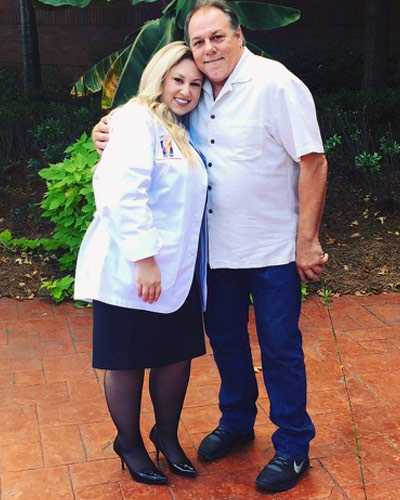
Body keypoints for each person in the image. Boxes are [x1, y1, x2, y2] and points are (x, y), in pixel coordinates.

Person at [92, 0, 329, 493]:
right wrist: (106, 132)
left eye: (216, 37)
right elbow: (148, 133)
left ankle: (292, 446)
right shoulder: (194, 94)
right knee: (226, 345)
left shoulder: (275, 83)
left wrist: (307, 242)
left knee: (281, 349)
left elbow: (313, 162)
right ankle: (237, 422)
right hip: (211, 256)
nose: (207, 50)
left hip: (271, 252)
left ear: (239, 34)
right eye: (198, 42)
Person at [75, 41, 208, 485]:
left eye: (195, 83)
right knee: (127, 360)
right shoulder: (135, 119)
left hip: (179, 270)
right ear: (158, 78)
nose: (187, 91)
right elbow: (119, 191)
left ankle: (166, 436)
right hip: (135, 268)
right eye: (178, 80)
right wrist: (145, 259)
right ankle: (129, 442)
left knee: (175, 357)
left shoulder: (183, 129)